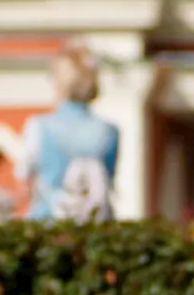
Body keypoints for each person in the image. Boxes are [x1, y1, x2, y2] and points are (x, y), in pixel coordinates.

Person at [16, 42, 119, 221]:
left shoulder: (39, 127)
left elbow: (24, 184)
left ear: (58, 83)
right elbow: (108, 182)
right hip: (97, 230)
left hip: (47, 226)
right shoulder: (110, 132)